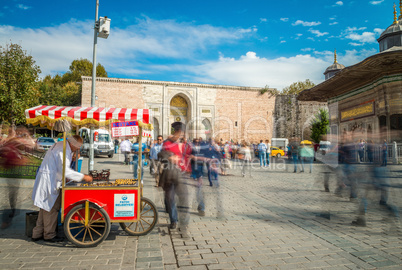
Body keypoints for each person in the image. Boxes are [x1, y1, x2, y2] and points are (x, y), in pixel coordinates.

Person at [31, 135, 93, 242]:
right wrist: (83, 177)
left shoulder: (62, 146)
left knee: (44, 208)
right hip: (49, 181)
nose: (78, 149)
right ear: (73, 144)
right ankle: (49, 235)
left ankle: (37, 233)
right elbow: (66, 171)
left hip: (50, 179)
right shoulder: (62, 150)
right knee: (52, 208)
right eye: (78, 147)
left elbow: (61, 168)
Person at [158, 122, 190, 231]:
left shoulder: (183, 144)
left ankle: (183, 221)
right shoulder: (167, 143)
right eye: (180, 133)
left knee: (183, 198)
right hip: (169, 174)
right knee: (170, 198)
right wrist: (170, 157)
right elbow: (161, 156)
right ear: (176, 132)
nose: (181, 135)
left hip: (180, 174)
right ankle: (173, 220)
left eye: (182, 134)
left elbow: (185, 158)